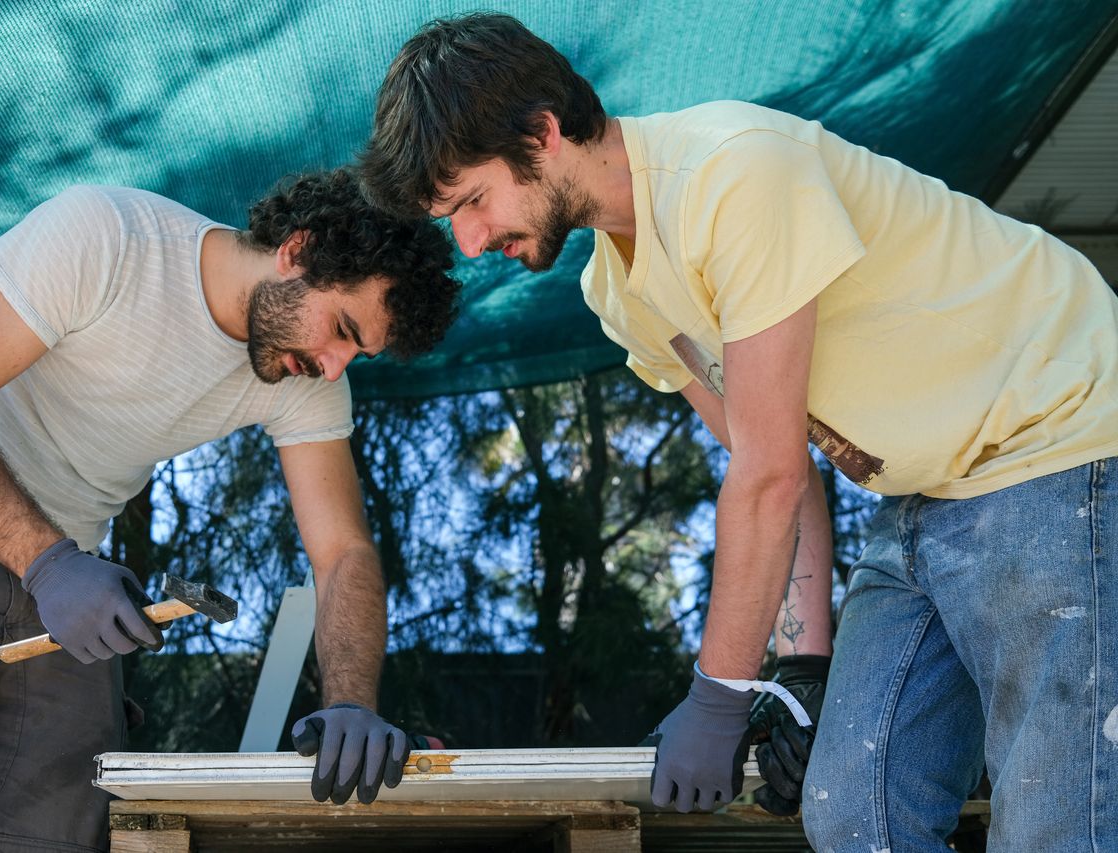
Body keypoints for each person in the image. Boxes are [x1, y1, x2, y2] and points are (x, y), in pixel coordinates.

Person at [359, 13, 1118, 852]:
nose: (469, 240)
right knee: (854, 808)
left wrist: (718, 692)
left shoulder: (734, 172)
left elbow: (767, 477)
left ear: (542, 133)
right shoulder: (618, 293)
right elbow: (781, 458)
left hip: (1060, 442)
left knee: (1059, 820)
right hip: (922, 497)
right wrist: (801, 671)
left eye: (473, 201)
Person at [0, 168, 461, 851]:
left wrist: (350, 703)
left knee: (63, 836)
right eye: (342, 327)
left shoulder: (303, 377)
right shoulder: (109, 235)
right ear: (298, 250)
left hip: (63, 585)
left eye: (357, 351)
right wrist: (50, 565)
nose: (336, 365)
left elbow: (344, 551)